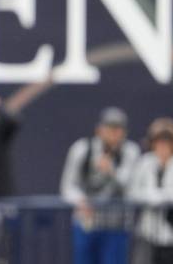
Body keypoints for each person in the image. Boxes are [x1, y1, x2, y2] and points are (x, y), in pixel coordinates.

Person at [60, 107, 140, 264]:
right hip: (86, 223)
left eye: (118, 129)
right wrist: (81, 201)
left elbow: (132, 188)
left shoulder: (130, 151)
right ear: (99, 129)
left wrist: (112, 171)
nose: (114, 133)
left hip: (117, 225)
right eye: (110, 128)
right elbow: (68, 186)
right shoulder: (82, 149)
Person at [128, 117, 173, 264]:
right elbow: (132, 192)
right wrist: (149, 196)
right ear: (152, 143)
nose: (163, 146)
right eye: (159, 141)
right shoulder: (145, 162)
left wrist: (164, 196)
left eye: (167, 141)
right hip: (148, 234)